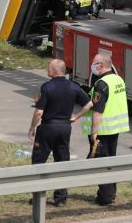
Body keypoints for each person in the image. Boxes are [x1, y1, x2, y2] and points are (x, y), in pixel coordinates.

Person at [29, 59, 92, 208]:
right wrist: (76, 116)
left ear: (55, 70)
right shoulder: (74, 86)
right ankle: (61, 198)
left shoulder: (47, 87)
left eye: (48, 67)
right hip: (64, 129)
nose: (47, 69)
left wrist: (32, 128)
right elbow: (89, 103)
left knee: (39, 162)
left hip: (48, 128)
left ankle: (38, 196)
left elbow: (39, 112)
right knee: (62, 160)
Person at [80, 53, 129, 207]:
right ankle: (111, 194)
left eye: (94, 63)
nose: (92, 66)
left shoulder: (101, 84)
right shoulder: (118, 79)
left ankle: (105, 198)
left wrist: (94, 133)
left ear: (101, 65)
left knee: (101, 163)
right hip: (115, 129)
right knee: (110, 161)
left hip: (102, 131)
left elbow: (98, 110)